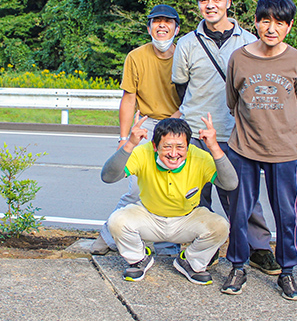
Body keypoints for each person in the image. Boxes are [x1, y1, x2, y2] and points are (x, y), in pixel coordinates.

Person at [171, 0, 278, 276]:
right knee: (196, 196)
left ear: (229, 1)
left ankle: (258, 249)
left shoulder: (248, 42)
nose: (210, 5)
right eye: (203, 0)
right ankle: (203, 248)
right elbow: (180, 85)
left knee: (243, 196)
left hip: (235, 134)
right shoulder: (187, 44)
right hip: (194, 133)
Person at [222, 0, 297, 298]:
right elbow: (233, 102)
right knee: (239, 211)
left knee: (286, 213)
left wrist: (278, 125)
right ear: (256, 22)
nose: (271, 28)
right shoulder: (240, 57)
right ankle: (237, 267)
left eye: (279, 22)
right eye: (265, 21)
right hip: (243, 147)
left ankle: (286, 272)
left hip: (284, 151)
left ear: (289, 26)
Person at [91, 4, 182, 256]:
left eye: (168, 21)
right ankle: (109, 235)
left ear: (176, 27)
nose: (162, 26)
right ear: (149, 27)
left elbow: (193, 93)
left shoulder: (185, 54)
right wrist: (123, 138)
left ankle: (167, 244)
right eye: (156, 21)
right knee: (137, 188)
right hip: (146, 124)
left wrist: (175, 123)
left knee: (171, 187)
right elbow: (129, 98)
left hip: (177, 124)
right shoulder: (136, 56)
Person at [101, 117, 235, 286]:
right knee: (117, 220)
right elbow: (108, 177)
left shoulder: (200, 157)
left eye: (180, 147)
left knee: (220, 226)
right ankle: (138, 259)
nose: (173, 154)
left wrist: (214, 147)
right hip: (149, 217)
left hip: (187, 218)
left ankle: (191, 262)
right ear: (155, 147)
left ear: (188, 147)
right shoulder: (143, 153)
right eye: (167, 147)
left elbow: (230, 184)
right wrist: (129, 144)